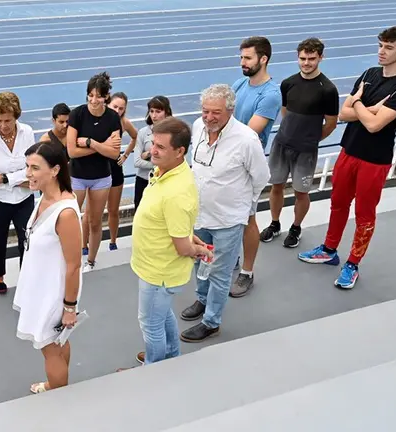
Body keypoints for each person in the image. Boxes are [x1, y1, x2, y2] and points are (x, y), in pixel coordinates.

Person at [298, 26, 396, 289]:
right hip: (349, 150)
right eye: (380, 45)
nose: (381, 52)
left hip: (375, 159)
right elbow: (343, 114)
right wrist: (370, 109)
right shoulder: (369, 74)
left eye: (389, 47)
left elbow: (375, 126)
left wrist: (359, 103)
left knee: (365, 213)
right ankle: (329, 250)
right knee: (338, 203)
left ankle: (352, 264)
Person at [180, 84, 270, 343]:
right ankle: (201, 298)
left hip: (228, 220)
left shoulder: (246, 139)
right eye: (205, 111)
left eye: (216, 112)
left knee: (220, 271)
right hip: (199, 215)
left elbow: (261, 177)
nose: (209, 117)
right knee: (200, 261)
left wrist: (244, 207)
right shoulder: (198, 127)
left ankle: (211, 322)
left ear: (230, 110)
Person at [128, 117, 211, 366]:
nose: (152, 150)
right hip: (153, 264)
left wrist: (199, 249)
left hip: (158, 271)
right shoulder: (165, 170)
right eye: (153, 143)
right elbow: (178, 227)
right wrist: (193, 239)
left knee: (151, 323)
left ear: (180, 151)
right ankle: (172, 357)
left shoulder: (176, 191)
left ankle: (154, 368)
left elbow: (183, 248)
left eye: (161, 147)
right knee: (162, 315)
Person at [13, 142, 82, 394]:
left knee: (49, 348)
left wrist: (69, 307)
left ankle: (56, 393)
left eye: (34, 168)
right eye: (27, 166)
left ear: (54, 170)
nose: (28, 173)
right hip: (40, 286)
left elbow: (74, 265)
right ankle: (57, 385)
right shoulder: (44, 197)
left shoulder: (65, 214)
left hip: (53, 293)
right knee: (59, 342)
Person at [260, 38, 339, 248]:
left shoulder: (328, 89)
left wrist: (311, 139)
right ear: (298, 57)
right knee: (275, 187)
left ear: (321, 57)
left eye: (311, 59)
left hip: (306, 150)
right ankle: (275, 224)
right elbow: (285, 112)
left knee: (301, 192)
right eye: (303, 58)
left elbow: (331, 123)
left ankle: (296, 228)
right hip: (281, 145)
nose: (306, 63)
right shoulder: (288, 83)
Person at [230, 36, 282, 298]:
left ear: (263, 59)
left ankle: (247, 273)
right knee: (226, 216)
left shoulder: (271, 94)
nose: (242, 62)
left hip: (247, 166)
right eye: (241, 57)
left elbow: (250, 133)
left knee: (247, 219)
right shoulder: (240, 83)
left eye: (247, 58)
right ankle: (232, 260)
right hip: (227, 161)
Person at [0, 92, 36, 294]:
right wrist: (19, 179)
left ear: (16, 117)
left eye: (8, 120)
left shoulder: (27, 133)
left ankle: (26, 278)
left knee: (26, 240)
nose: (3, 125)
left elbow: (32, 171)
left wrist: (2, 178)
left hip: (24, 200)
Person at [67, 71, 122, 272]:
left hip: (101, 177)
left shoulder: (113, 118)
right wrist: (101, 146)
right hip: (77, 177)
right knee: (70, 220)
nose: (93, 100)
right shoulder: (77, 114)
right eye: (90, 95)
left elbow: (114, 152)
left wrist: (90, 142)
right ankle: (70, 260)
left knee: (95, 221)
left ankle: (90, 261)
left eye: (98, 96)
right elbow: (72, 151)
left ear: (106, 96)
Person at [81, 92, 138, 252]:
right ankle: (84, 244)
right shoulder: (96, 121)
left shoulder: (123, 123)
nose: (118, 111)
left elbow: (135, 137)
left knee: (113, 209)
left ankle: (113, 242)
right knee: (89, 212)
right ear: (107, 104)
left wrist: (125, 155)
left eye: (121, 108)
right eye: (115, 106)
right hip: (96, 167)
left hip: (114, 168)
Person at [133, 95, 173, 208]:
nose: (154, 115)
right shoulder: (142, 133)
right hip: (143, 181)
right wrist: (157, 163)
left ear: (166, 112)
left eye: (158, 111)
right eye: (151, 111)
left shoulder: (173, 133)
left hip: (164, 180)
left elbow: (172, 161)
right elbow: (137, 162)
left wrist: (146, 154)